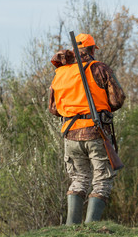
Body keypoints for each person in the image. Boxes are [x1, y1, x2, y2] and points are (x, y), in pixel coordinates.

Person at [48, 33, 126, 225]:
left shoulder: (60, 73)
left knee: (79, 179)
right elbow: (118, 99)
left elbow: (53, 108)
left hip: (70, 135)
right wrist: (101, 108)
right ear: (92, 50)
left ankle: (70, 229)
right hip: (96, 133)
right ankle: (91, 228)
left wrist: (73, 110)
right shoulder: (99, 68)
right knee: (101, 181)